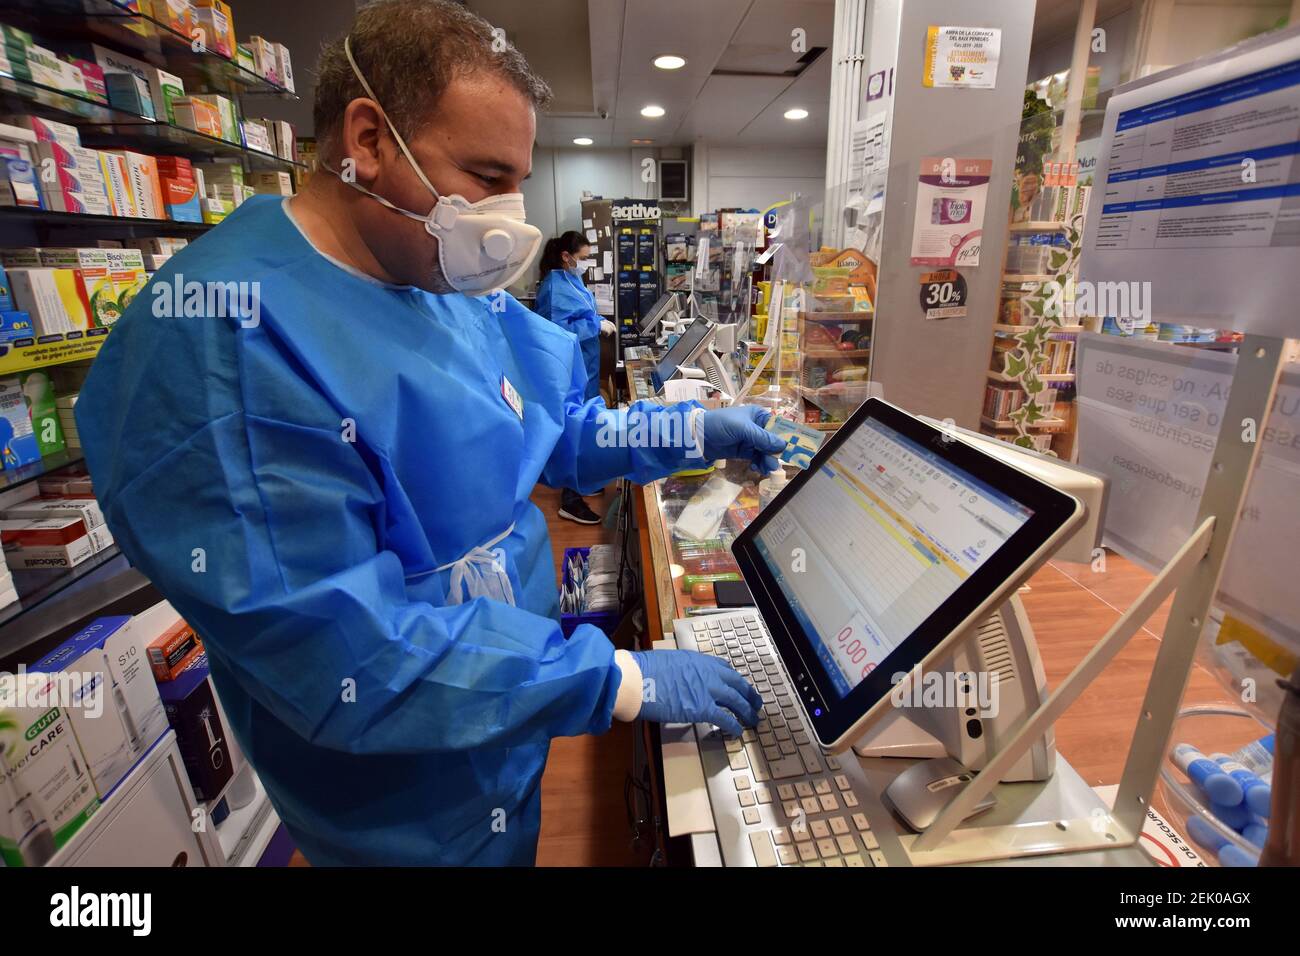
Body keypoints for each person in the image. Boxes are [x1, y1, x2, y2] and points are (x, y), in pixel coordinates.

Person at [75, 0, 784, 866]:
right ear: (368, 140)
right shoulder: (225, 341)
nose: (508, 217)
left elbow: (553, 434)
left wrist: (693, 429)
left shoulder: (433, 284)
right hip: (403, 791)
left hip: (502, 721)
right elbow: (346, 651)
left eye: (516, 183)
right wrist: (613, 678)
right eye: (485, 176)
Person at [535, 231, 614, 525]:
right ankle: (570, 499)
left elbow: (581, 313)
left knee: (586, 421)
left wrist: (596, 320)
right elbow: (558, 332)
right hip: (569, 371)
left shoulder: (572, 279)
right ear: (566, 257)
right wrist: (595, 326)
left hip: (585, 366)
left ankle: (582, 481)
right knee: (574, 428)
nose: (586, 263)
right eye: (582, 258)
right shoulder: (555, 287)